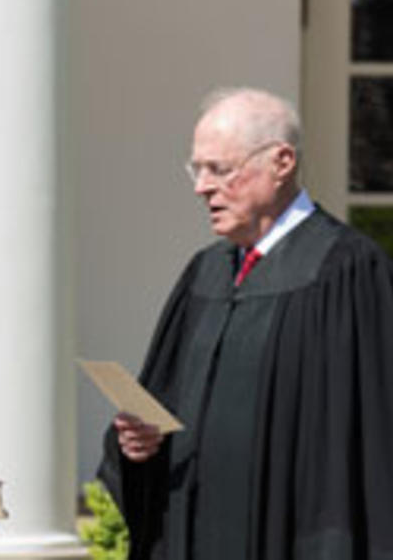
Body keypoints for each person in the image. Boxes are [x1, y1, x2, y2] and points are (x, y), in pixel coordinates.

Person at [100, 87, 393, 559]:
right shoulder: (205, 274)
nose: (202, 186)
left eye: (220, 169)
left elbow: (367, 445)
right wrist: (138, 446)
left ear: (281, 162)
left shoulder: (346, 272)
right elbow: (159, 404)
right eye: (196, 169)